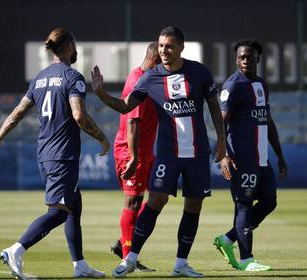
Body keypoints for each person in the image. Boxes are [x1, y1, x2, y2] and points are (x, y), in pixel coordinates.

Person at [91, 26, 226, 278]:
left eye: (170, 46)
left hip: (197, 153)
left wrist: (221, 140)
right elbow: (125, 107)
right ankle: (130, 258)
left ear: (181, 47)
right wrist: (100, 93)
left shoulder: (200, 72)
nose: (164, 50)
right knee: (155, 202)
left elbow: (214, 107)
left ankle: (181, 264)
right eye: (161, 46)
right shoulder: (150, 77)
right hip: (167, 154)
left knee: (194, 206)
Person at [0, 27, 110, 279]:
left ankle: (80, 265)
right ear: (69, 47)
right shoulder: (73, 77)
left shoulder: (39, 78)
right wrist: (103, 138)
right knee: (58, 212)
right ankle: (16, 250)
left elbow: (18, 112)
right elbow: (79, 115)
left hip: (46, 153)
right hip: (62, 155)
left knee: (74, 204)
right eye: (74, 44)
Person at [213, 39, 288, 272]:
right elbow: (220, 123)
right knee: (244, 205)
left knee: (269, 202)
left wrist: (280, 155)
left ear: (258, 59)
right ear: (236, 60)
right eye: (241, 57)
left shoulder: (261, 85)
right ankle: (247, 260)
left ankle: (228, 239)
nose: (245, 60)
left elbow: (267, 120)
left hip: (262, 158)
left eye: (250, 57)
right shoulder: (232, 86)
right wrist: (223, 155)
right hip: (241, 158)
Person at [109, 42, 160, 272]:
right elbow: (132, 124)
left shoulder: (151, 80)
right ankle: (128, 259)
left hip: (146, 152)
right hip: (132, 152)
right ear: (155, 60)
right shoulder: (137, 81)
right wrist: (133, 157)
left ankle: (124, 244)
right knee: (133, 202)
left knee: (157, 199)